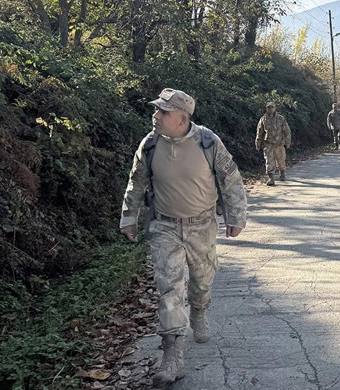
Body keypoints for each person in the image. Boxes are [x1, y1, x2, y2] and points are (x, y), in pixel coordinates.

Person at [119, 88, 247, 387]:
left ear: (182, 118)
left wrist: (236, 216)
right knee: (168, 289)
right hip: (164, 226)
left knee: (202, 280)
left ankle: (199, 312)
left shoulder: (207, 141)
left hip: (202, 225)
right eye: (156, 110)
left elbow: (231, 179)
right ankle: (172, 355)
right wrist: (128, 217)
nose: (155, 116)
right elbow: (136, 181)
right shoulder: (150, 144)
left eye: (162, 112)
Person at [255, 102, 292, 186]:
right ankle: (271, 178)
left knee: (281, 161)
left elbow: (287, 131)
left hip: (279, 144)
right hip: (268, 144)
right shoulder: (263, 119)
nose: (270, 109)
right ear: (266, 108)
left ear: (275, 108)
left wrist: (288, 142)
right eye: (268, 107)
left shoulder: (281, 119)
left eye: (272, 107)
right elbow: (259, 132)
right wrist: (258, 143)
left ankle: (282, 172)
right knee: (269, 161)